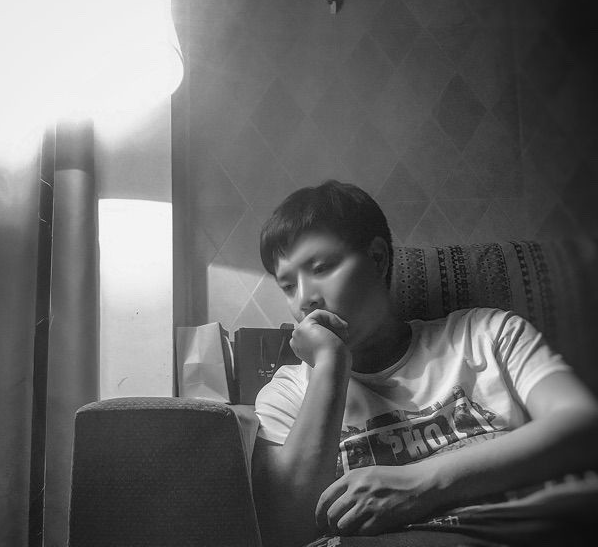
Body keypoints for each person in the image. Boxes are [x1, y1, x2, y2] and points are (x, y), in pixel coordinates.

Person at [251, 180, 598, 547]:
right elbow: (285, 531)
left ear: (377, 258)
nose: (305, 299)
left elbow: (584, 428)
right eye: (287, 286)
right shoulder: (287, 393)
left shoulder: (486, 333)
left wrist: (422, 483)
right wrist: (330, 364)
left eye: (321, 268)